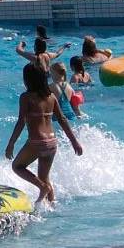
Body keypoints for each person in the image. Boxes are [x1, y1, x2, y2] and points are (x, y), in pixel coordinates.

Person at [6, 64, 84, 204]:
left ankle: (42, 187)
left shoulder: (26, 97)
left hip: (37, 142)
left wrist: (11, 143)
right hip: (52, 143)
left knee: (17, 166)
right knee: (44, 177)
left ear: (27, 79)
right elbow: (62, 119)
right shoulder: (51, 97)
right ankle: (52, 206)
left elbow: (21, 122)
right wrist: (74, 142)